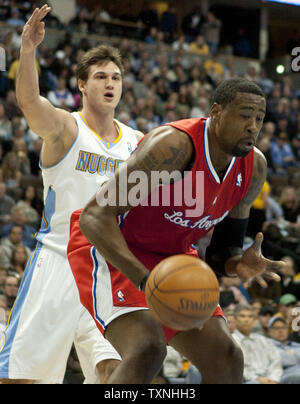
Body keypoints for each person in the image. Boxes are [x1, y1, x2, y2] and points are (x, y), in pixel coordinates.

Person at [68, 77, 286, 384]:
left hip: (174, 258)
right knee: (148, 348)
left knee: (227, 357)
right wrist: (146, 280)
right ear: (216, 112)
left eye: (259, 119)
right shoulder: (173, 147)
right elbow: (94, 217)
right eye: (244, 115)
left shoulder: (253, 168)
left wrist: (238, 264)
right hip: (112, 245)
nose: (253, 126)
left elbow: (223, 252)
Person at [0, 5, 143, 385]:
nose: (110, 82)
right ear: (82, 84)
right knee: (22, 378)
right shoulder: (66, 127)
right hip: (59, 261)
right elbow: (30, 103)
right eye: (100, 76)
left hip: (111, 270)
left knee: (116, 371)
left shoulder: (138, 143)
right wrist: (28, 50)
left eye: (115, 76)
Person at [232, 304, 283, 384]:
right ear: (235, 319)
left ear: (254, 320)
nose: (246, 319)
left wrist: (273, 379)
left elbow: (276, 360)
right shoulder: (231, 341)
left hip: (270, 379)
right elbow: (235, 367)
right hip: (247, 380)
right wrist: (258, 379)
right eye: (242, 316)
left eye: (250, 316)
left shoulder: (262, 339)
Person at [268, 317, 300, 384]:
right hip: (283, 374)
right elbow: (282, 361)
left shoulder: (296, 345)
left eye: (283, 328)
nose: (280, 331)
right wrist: (295, 355)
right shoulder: (267, 345)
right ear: (269, 331)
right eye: (276, 328)